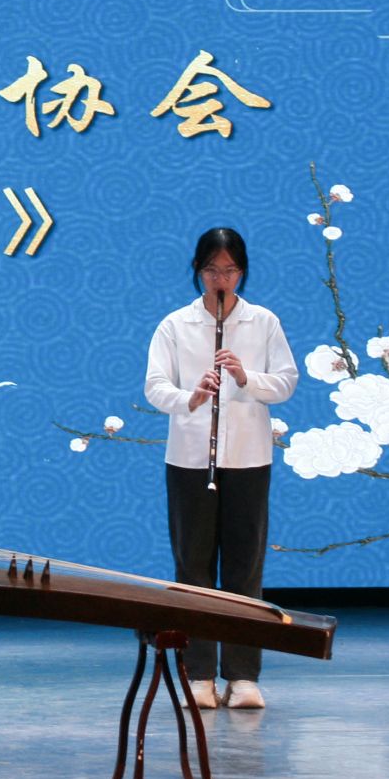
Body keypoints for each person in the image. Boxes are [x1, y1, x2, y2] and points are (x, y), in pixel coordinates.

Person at [142, 227, 298, 711]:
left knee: (244, 567)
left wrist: (245, 376)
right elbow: (154, 386)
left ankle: (243, 676)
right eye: (211, 270)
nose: (220, 279)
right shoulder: (176, 325)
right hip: (190, 460)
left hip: (248, 458)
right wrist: (190, 397)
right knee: (192, 567)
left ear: (241, 272)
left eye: (229, 270)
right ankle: (199, 674)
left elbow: (286, 382)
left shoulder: (263, 322)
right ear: (198, 271)